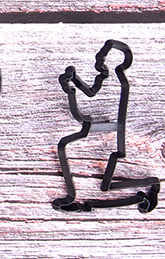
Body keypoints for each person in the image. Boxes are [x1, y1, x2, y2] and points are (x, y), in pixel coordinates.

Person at [53, 40, 159, 213]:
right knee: (65, 146)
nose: (100, 65)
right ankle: (74, 196)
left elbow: (89, 96)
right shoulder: (111, 79)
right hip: (105, 128)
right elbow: (90, 92)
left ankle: (80, 195)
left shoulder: (119, 80)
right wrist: (71, 84)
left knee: (65, 146)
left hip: (111, 128)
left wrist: (70, 86)